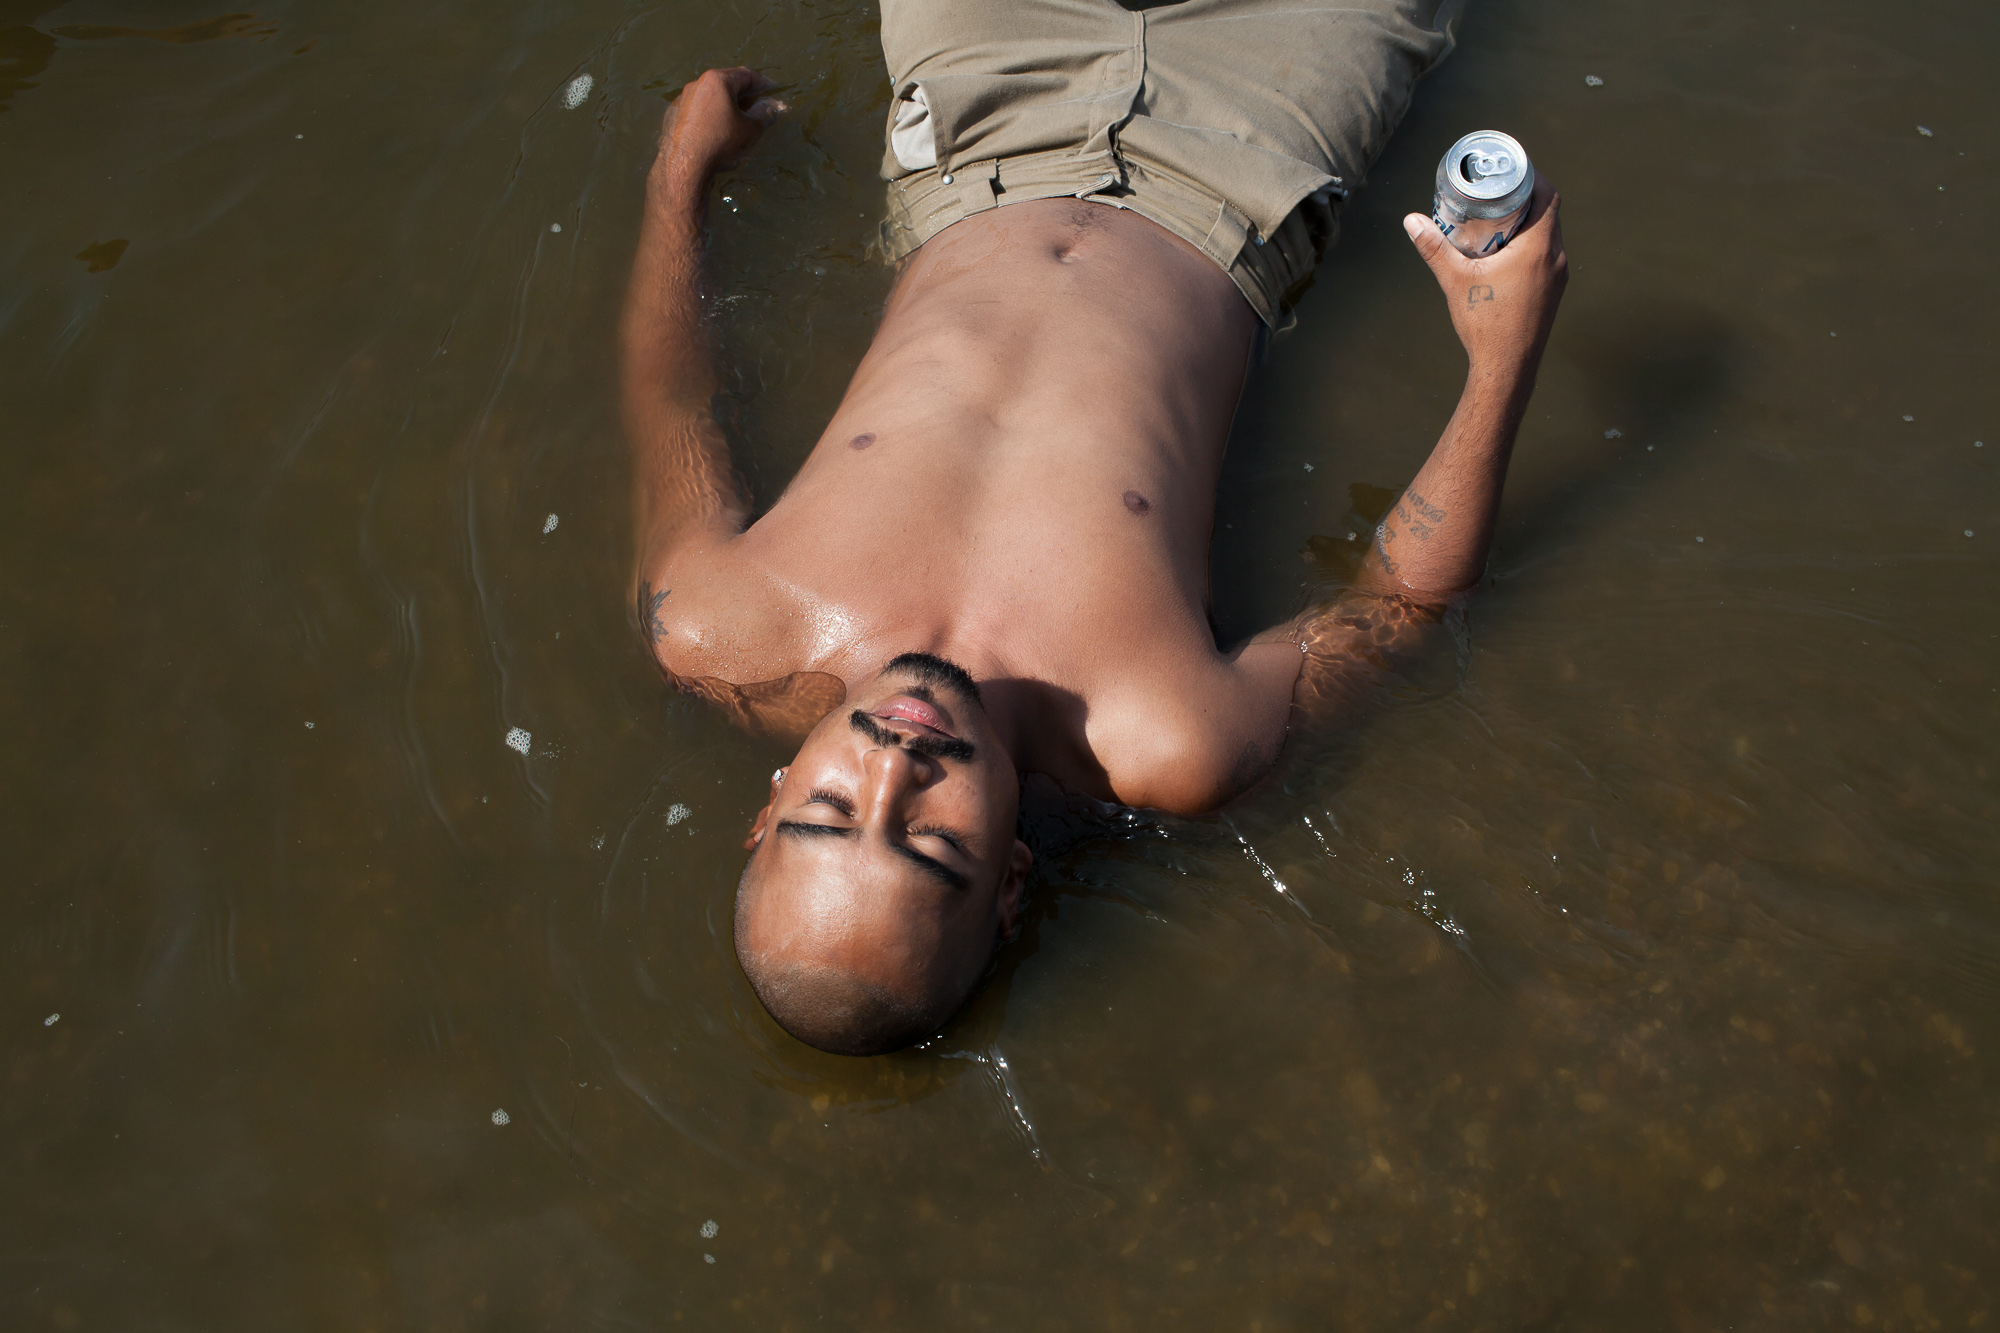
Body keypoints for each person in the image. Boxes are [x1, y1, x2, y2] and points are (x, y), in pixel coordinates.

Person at [622, 0, 1568, 1056]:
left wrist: (680, 177)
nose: (893, 766)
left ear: (768, 806)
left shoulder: (713, 624)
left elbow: (672, 404)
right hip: (1248, 155)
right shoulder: (1161, 734)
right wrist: (1502, 357)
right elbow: (1396, 606)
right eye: (929, 843)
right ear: (1009, 879)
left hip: (976, 114)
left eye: (832, 812)